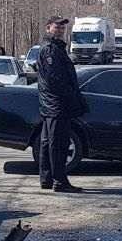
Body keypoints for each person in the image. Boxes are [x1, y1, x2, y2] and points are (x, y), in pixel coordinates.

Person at [37, 16, 87, 193]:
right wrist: (71, 96)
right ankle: (59, 180)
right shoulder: (50, 50)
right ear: (48, 28)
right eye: (56, 27)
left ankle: (47, 178)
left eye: (62, 28)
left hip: (52, 104)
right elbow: (55, 79)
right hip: (56, 104)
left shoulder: (56, 48)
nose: (60, 30)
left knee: (47, 142)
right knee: (58, 143)